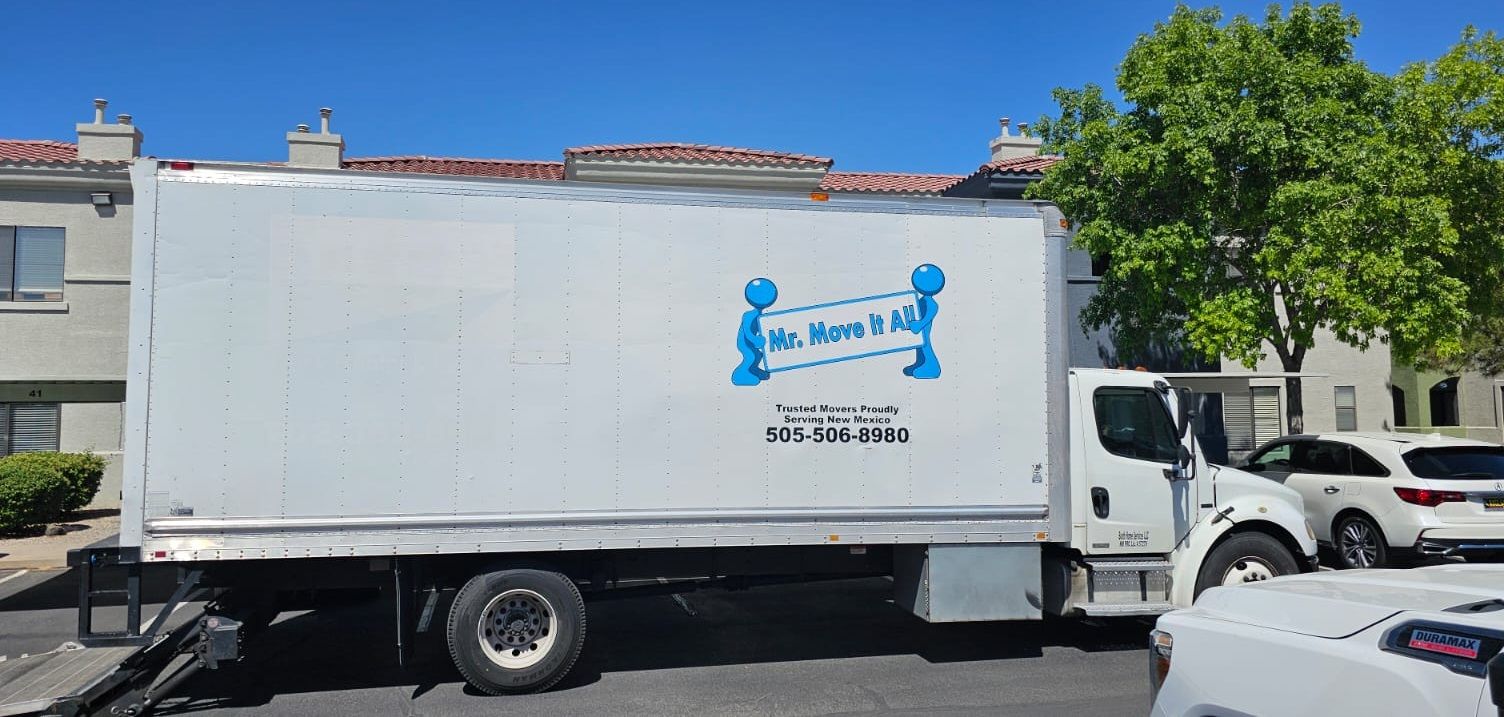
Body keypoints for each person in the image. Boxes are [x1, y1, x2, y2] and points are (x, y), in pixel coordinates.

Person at [732, 278, 778, 386]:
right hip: (744, 343)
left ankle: (753, 370)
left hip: (751, 342)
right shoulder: (748, 315)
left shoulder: (760, 316)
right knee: (751, 356)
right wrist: (754, 339)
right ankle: (739, 375)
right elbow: (747, 331)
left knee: (758, 355)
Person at [904, 264, 944, 379]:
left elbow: (927, 319)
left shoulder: (932, 304)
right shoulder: (923, 300)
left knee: (925, 345)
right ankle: (920, 363)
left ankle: (933, 368)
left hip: (924, 328)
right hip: (921, 328)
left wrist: (918, 325)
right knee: (920, 345)